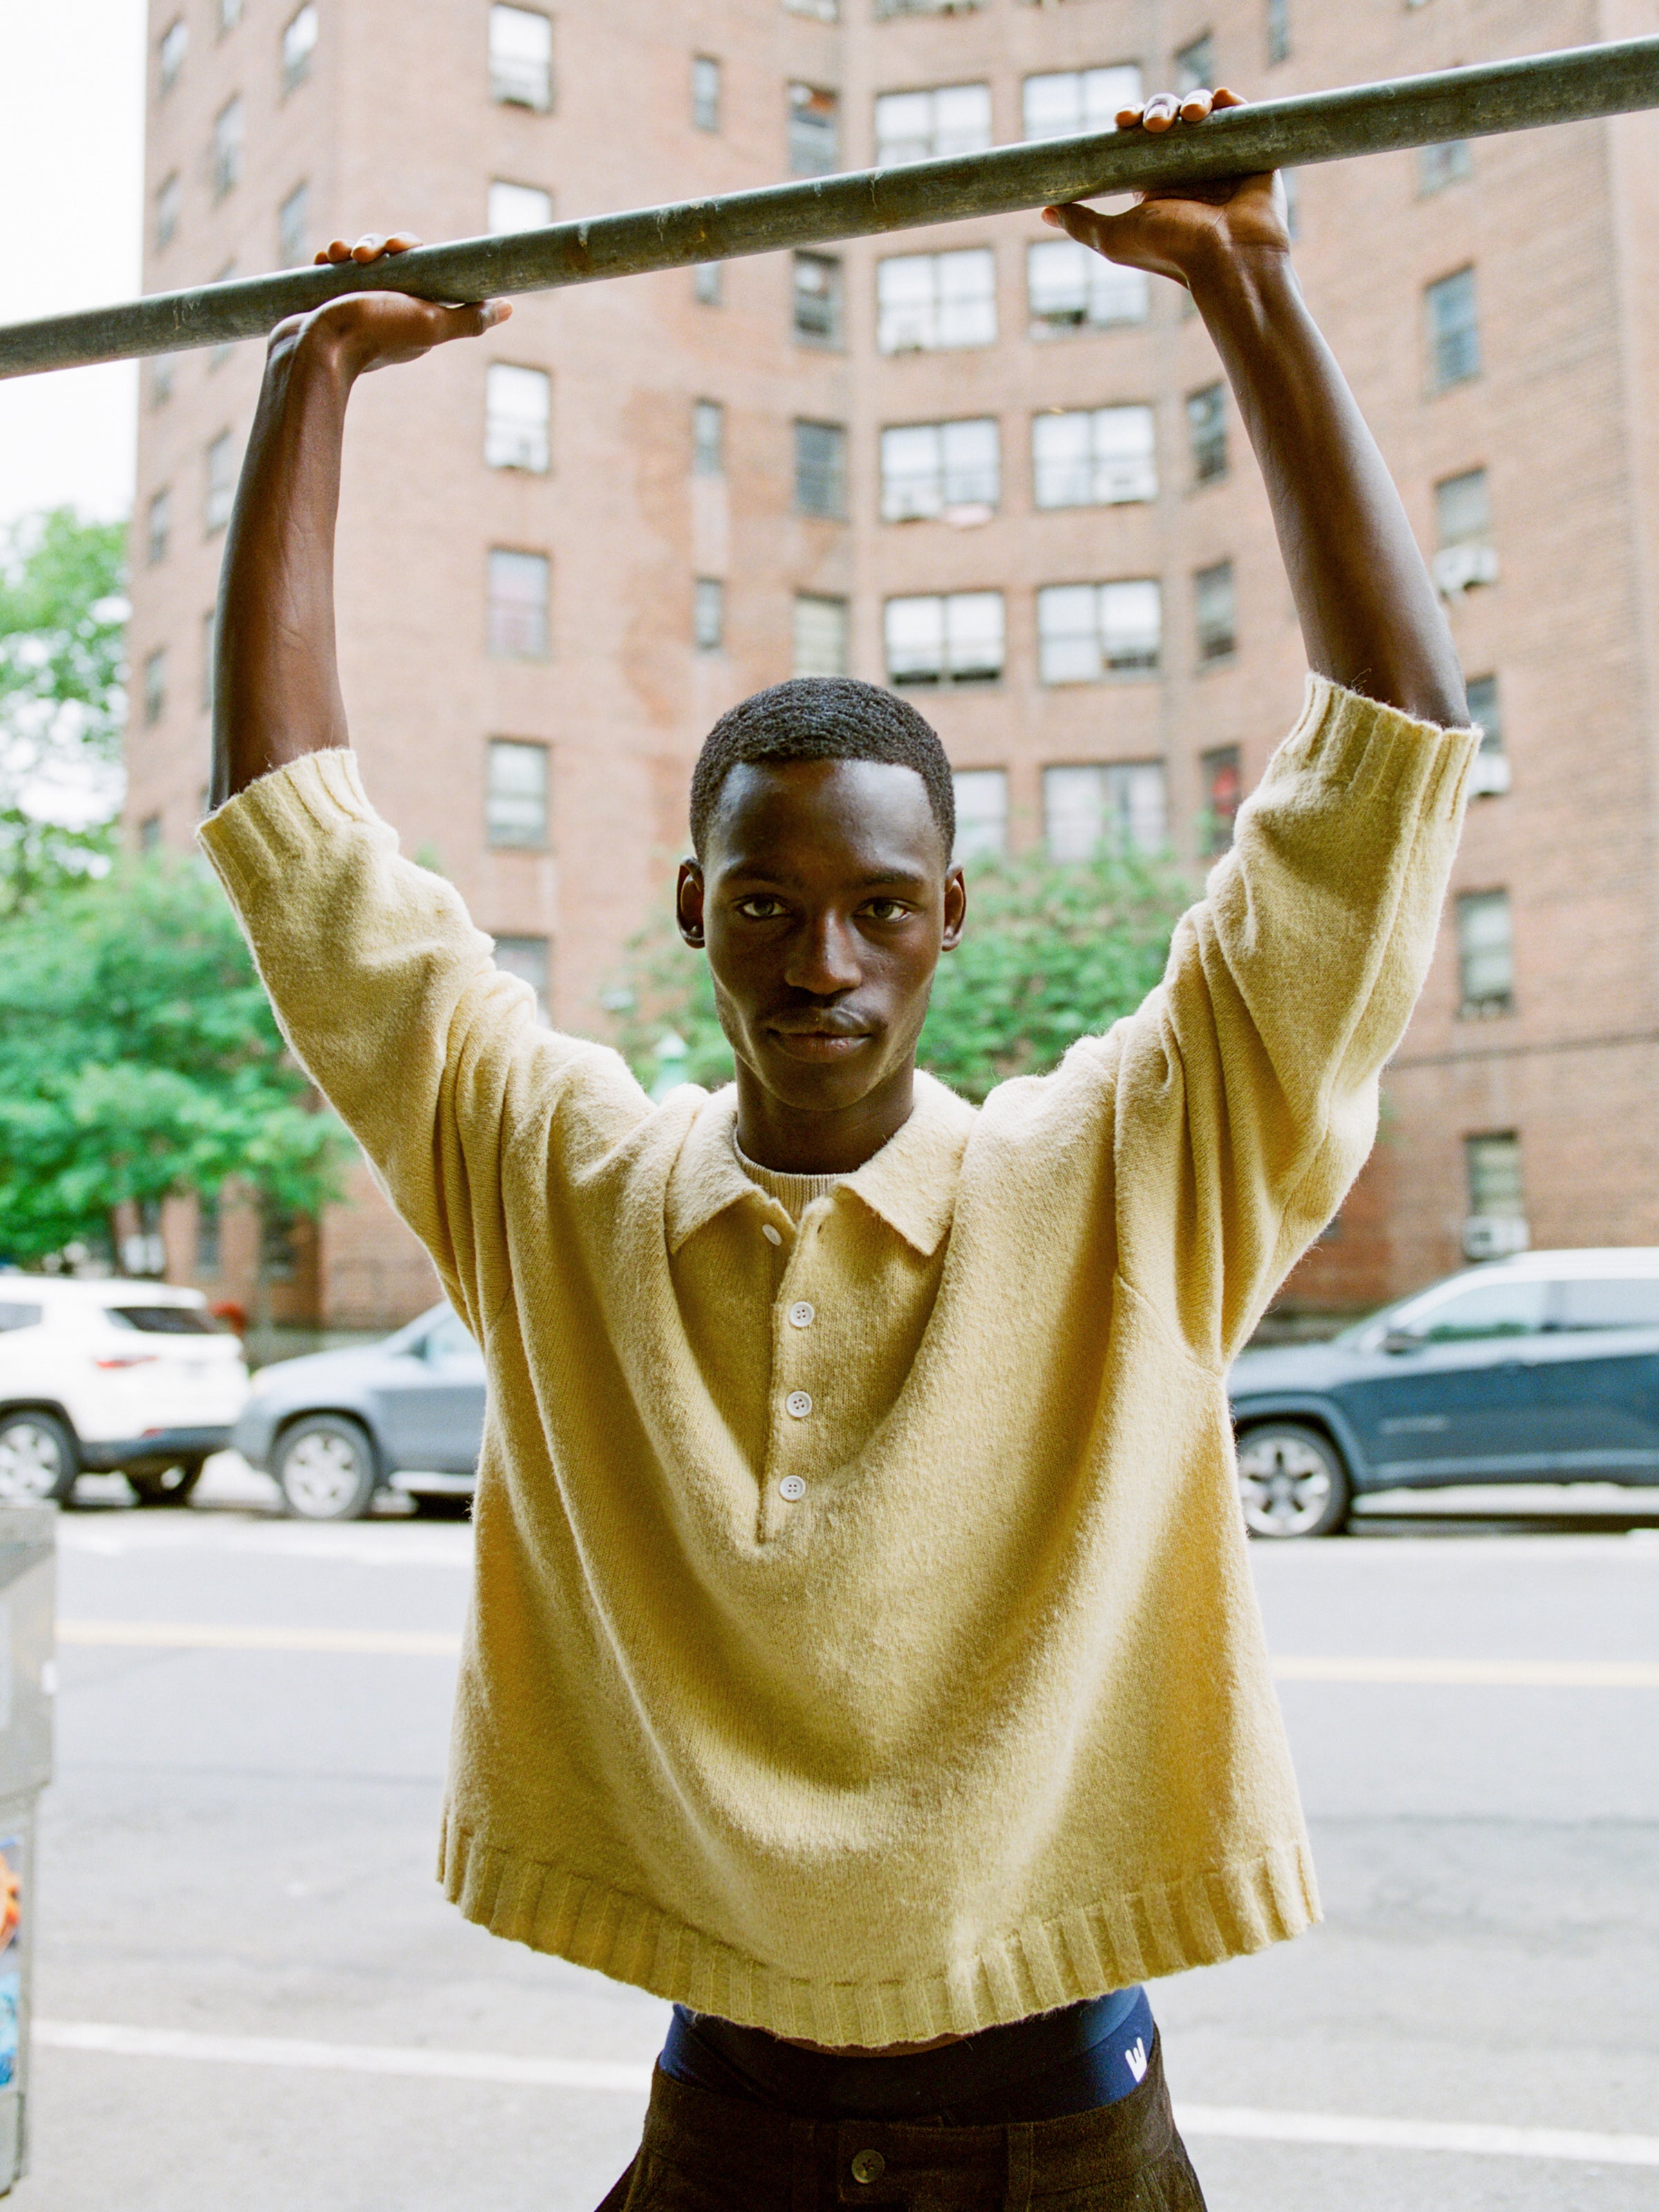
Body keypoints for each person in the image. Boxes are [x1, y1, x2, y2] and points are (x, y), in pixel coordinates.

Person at [202, 83, 1472, 2212]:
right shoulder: (560, 1182)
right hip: (729, 2127)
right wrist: (304, 385)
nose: (826, 964)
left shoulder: (1130, 1175)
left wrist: (1247, 284)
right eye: (769, 905)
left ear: (954, 917)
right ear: (691, 912)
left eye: (885, 908)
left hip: (1068, 2129)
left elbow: (1385, 779)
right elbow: (297, 850)